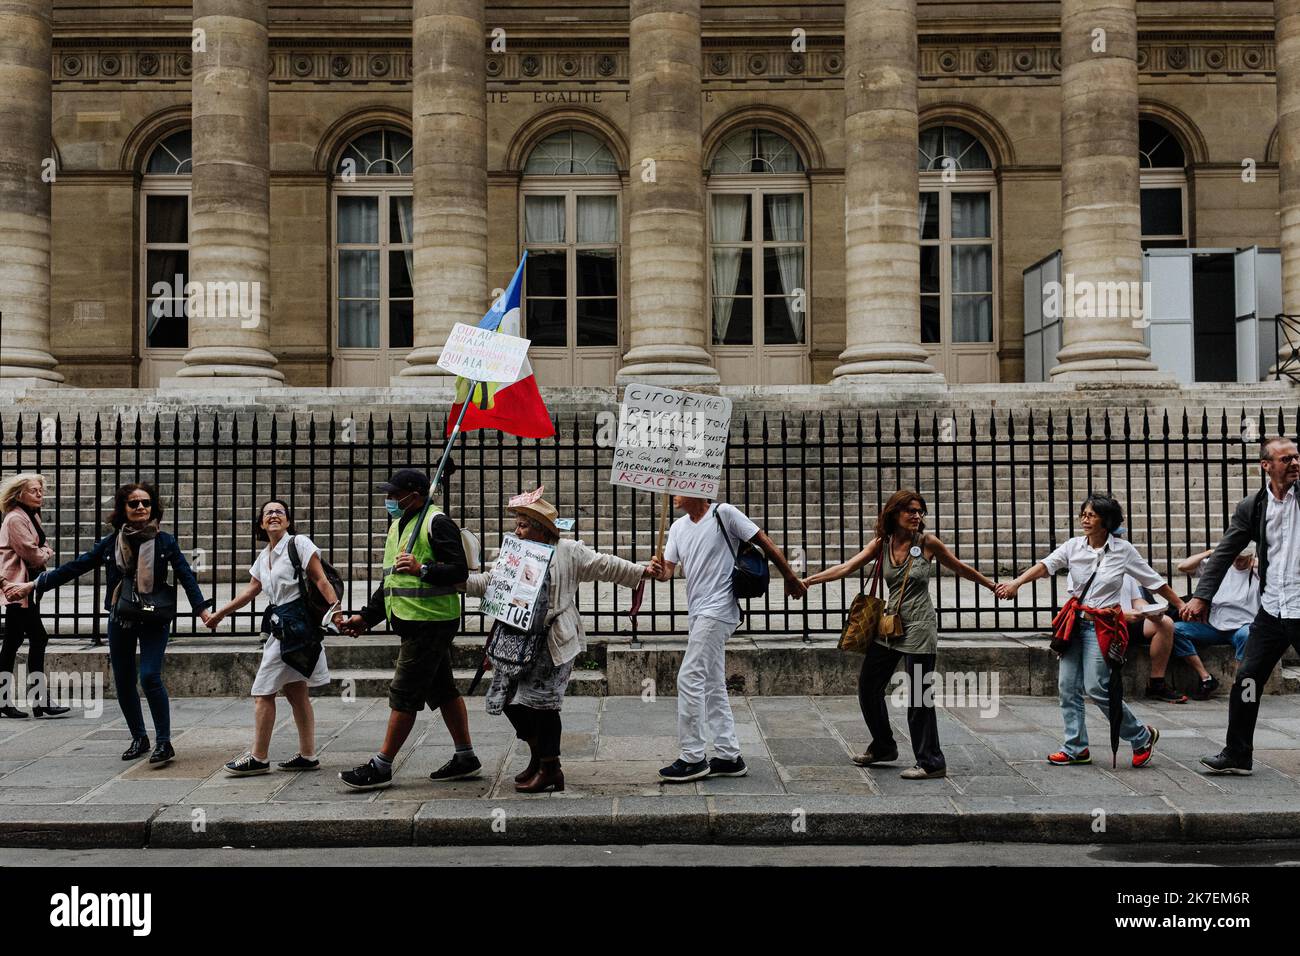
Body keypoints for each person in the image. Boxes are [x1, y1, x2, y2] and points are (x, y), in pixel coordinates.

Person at [801, 489, 997, 779]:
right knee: (869, 687)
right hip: (889, 626)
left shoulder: (927, 543)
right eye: (911, 511)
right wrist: (807, 581)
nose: (917, 516)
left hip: (919, 628)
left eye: (920, 512)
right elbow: (848, 566)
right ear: (894, 514)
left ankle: (931, 761)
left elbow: (960, 567)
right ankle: (883, 746)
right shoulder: (883, 543)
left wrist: (993, 586)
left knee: (918, 697)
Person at [463, 496, 653, 793]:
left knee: (543, 707)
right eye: (517, 525)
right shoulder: (513, 552)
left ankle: (551, 769)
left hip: (553, 642)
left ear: (542, 529)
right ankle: (539, 756)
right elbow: (490, 582)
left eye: (524, 525)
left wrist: (643, 572)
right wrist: (456, 581)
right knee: (511, 702)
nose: (518, 531)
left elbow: (604, 564)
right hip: (514, 640)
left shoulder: (568, 551)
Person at [13, 482, 212, 764]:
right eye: (134, 503)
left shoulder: (164, 541)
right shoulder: (111, 543)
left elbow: (186, 575)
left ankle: (164, 742)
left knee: (150, 676)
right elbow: (74, 567)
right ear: (123, 509)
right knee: (124, 680)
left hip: (154, 617)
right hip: (122, 617)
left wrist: (202, 609)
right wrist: (34, 585)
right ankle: (139, 737)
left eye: (146, 502)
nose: (141, 507)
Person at [997, 493, 1183, 768]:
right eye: (1083, 514)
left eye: (1091, 515)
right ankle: (1075, 747)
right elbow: (1045, 565)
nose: (1085, 519)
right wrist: (1016, 583)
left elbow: (1152, 581)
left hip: (1103, 625)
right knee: (1067, 687)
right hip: (1075, 624)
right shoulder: (1073, 546)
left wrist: (1179, 603)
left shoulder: (1123, 550)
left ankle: (1141, 735)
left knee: (1097, 686)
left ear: (1106, 521)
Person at [647, 494, 805, 783]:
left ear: (695, 488)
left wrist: (790, 576)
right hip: (697, 613)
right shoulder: (679, 528)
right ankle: (728, 755)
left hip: (719, 610)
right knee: (711, 682)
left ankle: (692, 757)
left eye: (679, 489)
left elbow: (763, 541)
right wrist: (658, 571)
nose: (672, 495)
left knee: (689, 676)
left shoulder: (725, 513)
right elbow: (668, 572)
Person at [335, 466, 476, 791]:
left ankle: (382, 765)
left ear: (415, 496)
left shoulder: (436, 522)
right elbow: (391, 580)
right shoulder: (400, 525)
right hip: (411, 620)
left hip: (431, 622)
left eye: (395, 495)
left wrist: (422, 568)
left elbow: (459, 572)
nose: (390, 500)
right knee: (442, 690)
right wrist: (367, 617)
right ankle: (465, 755)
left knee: (404, 693)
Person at [1185, 435, 1300, 775]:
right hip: (1272, 611)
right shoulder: (1254, 506)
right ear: (1266, 465)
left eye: (1296, 457)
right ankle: (1237, 753)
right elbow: (1224, 552)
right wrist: (1202, 595)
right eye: (1286, 459)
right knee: (1247, 678)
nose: (1294, 463)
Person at [205, 499, 343, 776]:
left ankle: (258, 757)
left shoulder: (299, 544)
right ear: (261, 523)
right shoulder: (264, 557)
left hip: (295, 629)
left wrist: (336, 610)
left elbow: (320, 579)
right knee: (295, 691)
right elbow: (249, 592)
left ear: (288, 521)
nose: (274, 515)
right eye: (268, 512)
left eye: (280, 512)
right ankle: (308, 755)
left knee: (262, 692)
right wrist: (220, 614)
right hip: (283, 628)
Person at [0, 473, 68, 718]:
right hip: (18, 589)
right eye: (34, 490)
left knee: (12, 644)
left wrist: (43, 550)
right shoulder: (15, 519)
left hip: (26, 588)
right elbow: (34, 554)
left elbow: (40, 546)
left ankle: (13, 701)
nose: (40, 494)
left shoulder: (30, 515)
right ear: (19, 494)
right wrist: (46, 551)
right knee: (35, 638)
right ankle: (39, 700)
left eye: (41, 490)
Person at [1171, 546, 1257, 700]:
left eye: (1242, 559)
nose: (1238, 562)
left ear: (1251, 557)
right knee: (1175, 629)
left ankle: (1240, 684)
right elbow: (1183, 566)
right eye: (1235, 558)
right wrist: (1210, 553)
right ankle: (1206, 678)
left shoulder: (1257, 571)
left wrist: (1258, 562)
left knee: (1248, 634)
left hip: (1242, 626)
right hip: (1214, 626)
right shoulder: (1220, 567)